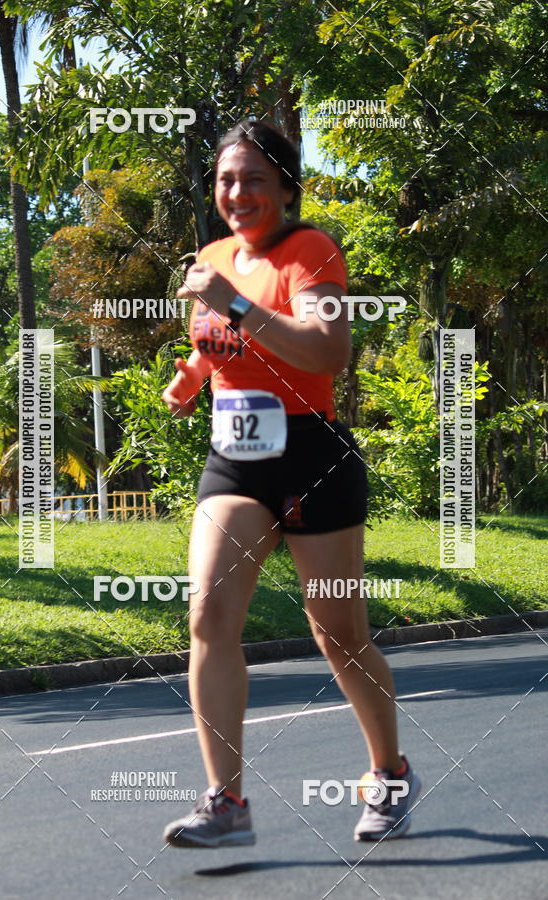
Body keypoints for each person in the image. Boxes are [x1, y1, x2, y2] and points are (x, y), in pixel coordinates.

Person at [160, 118, 420, 848]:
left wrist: (237, 302)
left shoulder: (311, 252)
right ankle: (226, 802)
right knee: (208, 614)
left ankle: (389, 773)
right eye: (225, 180)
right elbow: (220, 346)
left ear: (284, 188)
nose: (236, 193)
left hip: (312, 454)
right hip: (235, 458)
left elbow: (326, 349)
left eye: (253, 180)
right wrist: (190, 378)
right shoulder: (213, 257)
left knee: (337, 634)